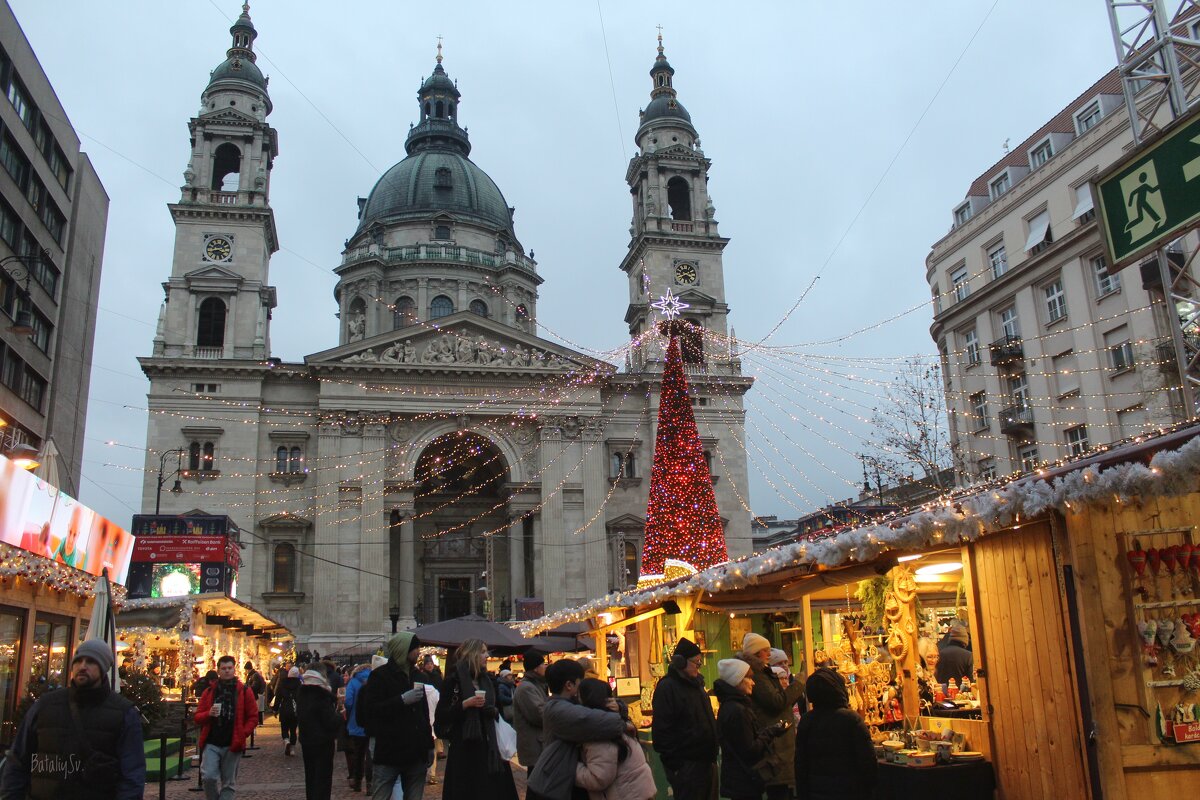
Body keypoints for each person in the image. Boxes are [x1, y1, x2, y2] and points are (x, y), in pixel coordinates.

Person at [0, 639, 145, 800]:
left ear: (103, 668)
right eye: (78, 661)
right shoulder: (45, 705)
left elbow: (132, 775)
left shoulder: (123, 713)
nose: (82, 666)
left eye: (91, 662)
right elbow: (18, 760)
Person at [527, 660, 630, 800]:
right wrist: (624, 722)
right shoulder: (558, 709)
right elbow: (596, 720)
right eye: (580, 683)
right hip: (550, 786)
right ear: (569, 685)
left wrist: (618, 707)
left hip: (554, 783)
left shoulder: (565, 704)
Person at [436, 638, 518, 800]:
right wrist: (464, 705)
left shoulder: (489, 681)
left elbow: (499, 714)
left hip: (490, 748)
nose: (486, 655)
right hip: (464, 749)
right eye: (482, 651)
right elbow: (441, 717)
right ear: (471, 654)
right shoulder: (453, 682)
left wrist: (492, 710)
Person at [358, 631, 434, 800]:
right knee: (381, 795)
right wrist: (401, 701)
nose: (419, 652)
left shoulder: (419, 676)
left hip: (416, 751)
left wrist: (429, 745)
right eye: (415, 649)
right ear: (403, 650)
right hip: (389, 750)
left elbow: (424, 714)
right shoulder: (379, 676)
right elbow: (371, 711)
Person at [793, 668, 876, 800]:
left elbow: (800, 764)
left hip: (816, 792)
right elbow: (868, 761)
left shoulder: (807, 720)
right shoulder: (851, 719)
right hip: (850, 791)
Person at [740, 633, 805, 800]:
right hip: (775, 746)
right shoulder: (759, 676)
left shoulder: (761, 672)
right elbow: (776, 702)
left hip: (778, 744)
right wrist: (798, 684)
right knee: (779, 792)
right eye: (765, 650)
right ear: (756, 653)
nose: (769, 654)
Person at [712, 659, 789, 800]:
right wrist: (771, 732)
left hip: (738, 779)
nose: (753, 682)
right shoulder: (738, 711)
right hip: (745, 780)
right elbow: (750, 749)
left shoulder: (730, 706)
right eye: (749, 678)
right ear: (738, 680)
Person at [651, 638, 719, 800]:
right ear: (680, 662)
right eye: (696, 662)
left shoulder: (697, 686)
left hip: (706, 763)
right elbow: (662, 732)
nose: (699, 666)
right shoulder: (667, 688)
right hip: (687, 767)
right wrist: (677, 767)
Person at [573, 678, 657, 800]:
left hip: (626, 794)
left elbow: (598, 779)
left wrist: (572, 768)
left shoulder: (600, 732)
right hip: (638, 792)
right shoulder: (617, 721)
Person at [194, 654, 259, 800]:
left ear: (234, 669)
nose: (227, 671)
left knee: (228, 783)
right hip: (212, 741)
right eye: (224, 668)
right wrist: (208, 714)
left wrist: (243, 733)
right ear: (218, 670)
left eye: (230, 668)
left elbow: (253, 717)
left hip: (233, 742)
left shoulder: (244, 690)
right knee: (208, 776)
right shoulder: (209, 691)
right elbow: (197, 717)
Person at [297, 665, 341, 800]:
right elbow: (330, 722)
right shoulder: (322, 695)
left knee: (311, 777)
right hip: (322, 742)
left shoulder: (302, 693)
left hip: (306, 740)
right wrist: (340, 714)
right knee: (323, 779)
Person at [513, 651, 549, 770]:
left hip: (538, 741)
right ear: (535, 668)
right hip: (535, 743)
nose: (545, 666)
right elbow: (538, 714)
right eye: (543, 664)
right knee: (536, 781)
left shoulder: (537, 684)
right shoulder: (526, 688)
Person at [343, 663, 373, 793]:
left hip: (356, 722)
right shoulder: (374, 680)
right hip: (371, 722)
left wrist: (349, 712)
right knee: (370, 754)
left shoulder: (353, 681)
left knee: (358, 754)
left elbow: (348, 701)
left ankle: (358, 782)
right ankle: (370, 784)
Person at [274, 666, 301, 756]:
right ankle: (292, 749)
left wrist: (275, 709)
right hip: (295, 710)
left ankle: (286, 740)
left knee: (284, 728)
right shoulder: (299, 684)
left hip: (285, 708)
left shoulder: (283, 683)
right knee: (293, 730)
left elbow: (278, 697)